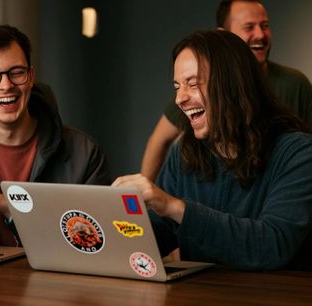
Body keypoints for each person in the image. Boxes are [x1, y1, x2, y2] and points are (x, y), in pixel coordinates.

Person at [113, 30, 312, 271]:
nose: (179, 98)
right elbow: (157, 234)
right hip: (198, 304)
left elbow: (272, 246)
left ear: (232, 84)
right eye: (177, 86)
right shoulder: (184, 154)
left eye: (192, 84)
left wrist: (175, 207)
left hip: (272, 305)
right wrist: (111, 231)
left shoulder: (298, 153)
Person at [0, 24, 111, 247]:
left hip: (57, 281)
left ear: (30, 77)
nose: (6, 85)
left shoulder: (84, 153)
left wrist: (6, 204)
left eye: (16, 73)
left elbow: (97, 242)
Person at [141, 0, 312, 181]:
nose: (260, 35)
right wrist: (146, 197)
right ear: (222, 35)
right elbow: (159, 141)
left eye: (265, 26)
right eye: (249, 27)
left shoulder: (294, 87)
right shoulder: (186, 153)